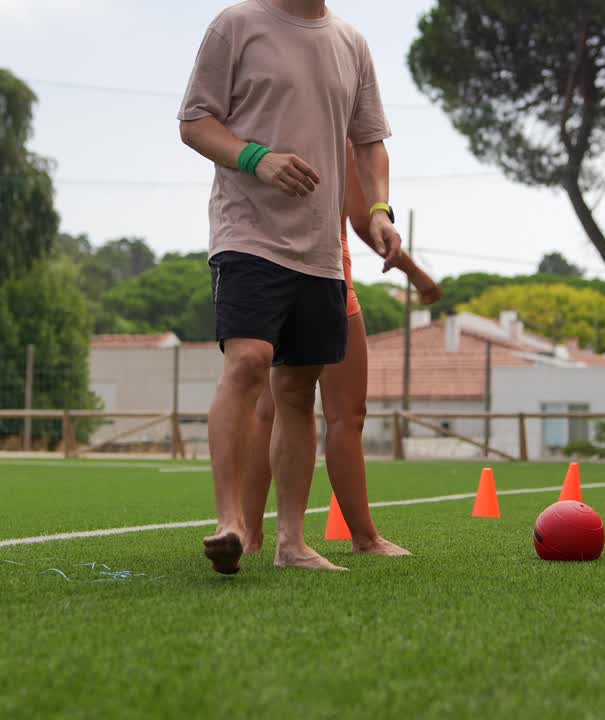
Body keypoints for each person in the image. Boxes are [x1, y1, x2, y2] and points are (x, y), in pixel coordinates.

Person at [178, 0, 400, 574]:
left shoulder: (351, 42)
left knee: (298, 393)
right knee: (249, 362)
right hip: (247, 234)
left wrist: (379, 211)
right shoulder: (236, 25)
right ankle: (230, 522)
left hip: (322, 251)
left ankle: (292, 543)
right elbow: (195, 122)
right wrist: (257, 158)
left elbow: (370, 142)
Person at [241, 143, 440, 556]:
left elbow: (361, 216)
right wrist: (419, 276)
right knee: (268, 411)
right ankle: (249, 534)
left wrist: (416, 274)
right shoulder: (265, 119)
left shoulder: (341, 135)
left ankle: (364, 538)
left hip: (332, 277)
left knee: (346, 413)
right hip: (268, 271)